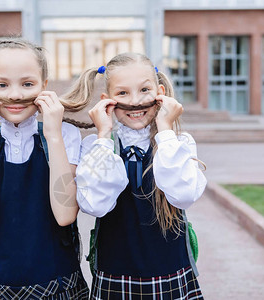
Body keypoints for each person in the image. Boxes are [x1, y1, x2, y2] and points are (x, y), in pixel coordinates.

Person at [0, 37, 90, 299]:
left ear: (44, 86)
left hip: (58, 284)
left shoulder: (65, 135)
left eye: (27, 84)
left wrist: (53, 134)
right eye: (2, 85)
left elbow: (65, 214)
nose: (15, 95)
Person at [68, 53, 207, 299]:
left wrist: (165, 131)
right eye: (122, 93)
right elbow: (95, 205)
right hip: (114, 276)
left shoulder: (177, 144)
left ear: (160, 92)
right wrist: (104, 136)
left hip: (172, 275)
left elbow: (183, 196)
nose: (135, 102)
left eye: (144, 90)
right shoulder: (97, 146)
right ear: (107, 101)